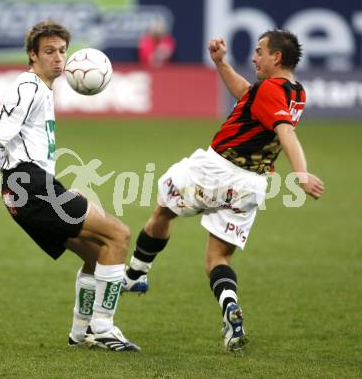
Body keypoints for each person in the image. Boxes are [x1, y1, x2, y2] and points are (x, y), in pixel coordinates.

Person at [122, 29, 324, 352]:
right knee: (218, 257)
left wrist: (300, 174)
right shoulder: (295, 92)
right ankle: (230, 310)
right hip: (252, 184)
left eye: (260, 52)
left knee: (163, 208)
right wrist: (221, 63)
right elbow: (248, 94)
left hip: (216, 170)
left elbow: (286, 133)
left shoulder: (271, 91)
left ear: (278, 57)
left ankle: (135, 274)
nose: (255, 57)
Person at [0, 20, 139, 352]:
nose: (58, 58)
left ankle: (82, 332)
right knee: (119, 235)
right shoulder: (29, 87)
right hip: (30, 189)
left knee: (98, 254)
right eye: (49, 51)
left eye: (62, 51)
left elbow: (29, 153)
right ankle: (105, 327)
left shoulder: (42, 90)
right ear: (32, 56)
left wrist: (62, 192)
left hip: (30, 190)